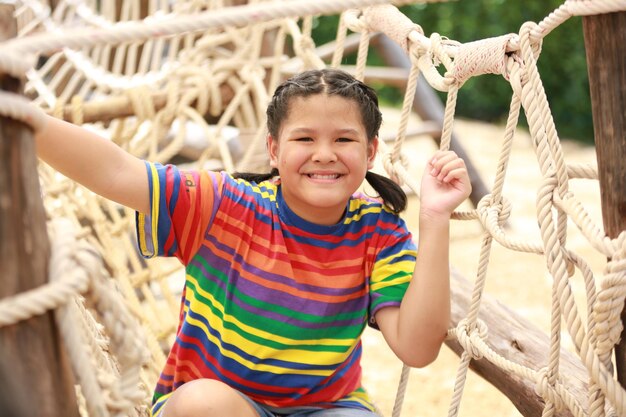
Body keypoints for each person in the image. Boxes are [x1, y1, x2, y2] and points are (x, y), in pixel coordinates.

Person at [35, 68, 471, 417]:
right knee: (204, 404)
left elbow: (416, 348)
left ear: (371, 151)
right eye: (304, 139)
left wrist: (434, 217)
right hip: (219, 406)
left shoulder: (378, 233)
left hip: (326, 407)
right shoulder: (225, 205)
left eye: (343, 139)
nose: (324, 153)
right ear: (274, 150)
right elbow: (116, 172)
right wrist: (24, 118)